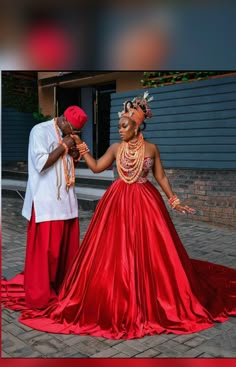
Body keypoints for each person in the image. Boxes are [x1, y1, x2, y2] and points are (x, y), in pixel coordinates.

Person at [2, 92, 236, 340]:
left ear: (138, 126)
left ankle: (157, 292)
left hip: (146, 202)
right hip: (117, 201)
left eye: (125, 126)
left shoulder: (152, 149)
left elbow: (161, 177)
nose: (120, 130)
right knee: (115, 250)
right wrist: (81, 149)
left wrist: (174, 199)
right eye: (119, 126)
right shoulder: (115, 148)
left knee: (155, 251)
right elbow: (94, 167)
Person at [2, 105, 88, 309]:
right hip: (46, 201)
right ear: (65, 121)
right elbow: (41, 164)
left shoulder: (69, 136)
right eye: (72, 129)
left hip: (66, 201)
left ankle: (62, 288)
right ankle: (41, 296)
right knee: (47, 254)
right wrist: (64, 146)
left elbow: (68, 166)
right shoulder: (39, 131)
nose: (73, 134)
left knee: (65, 252)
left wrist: (74, 153)